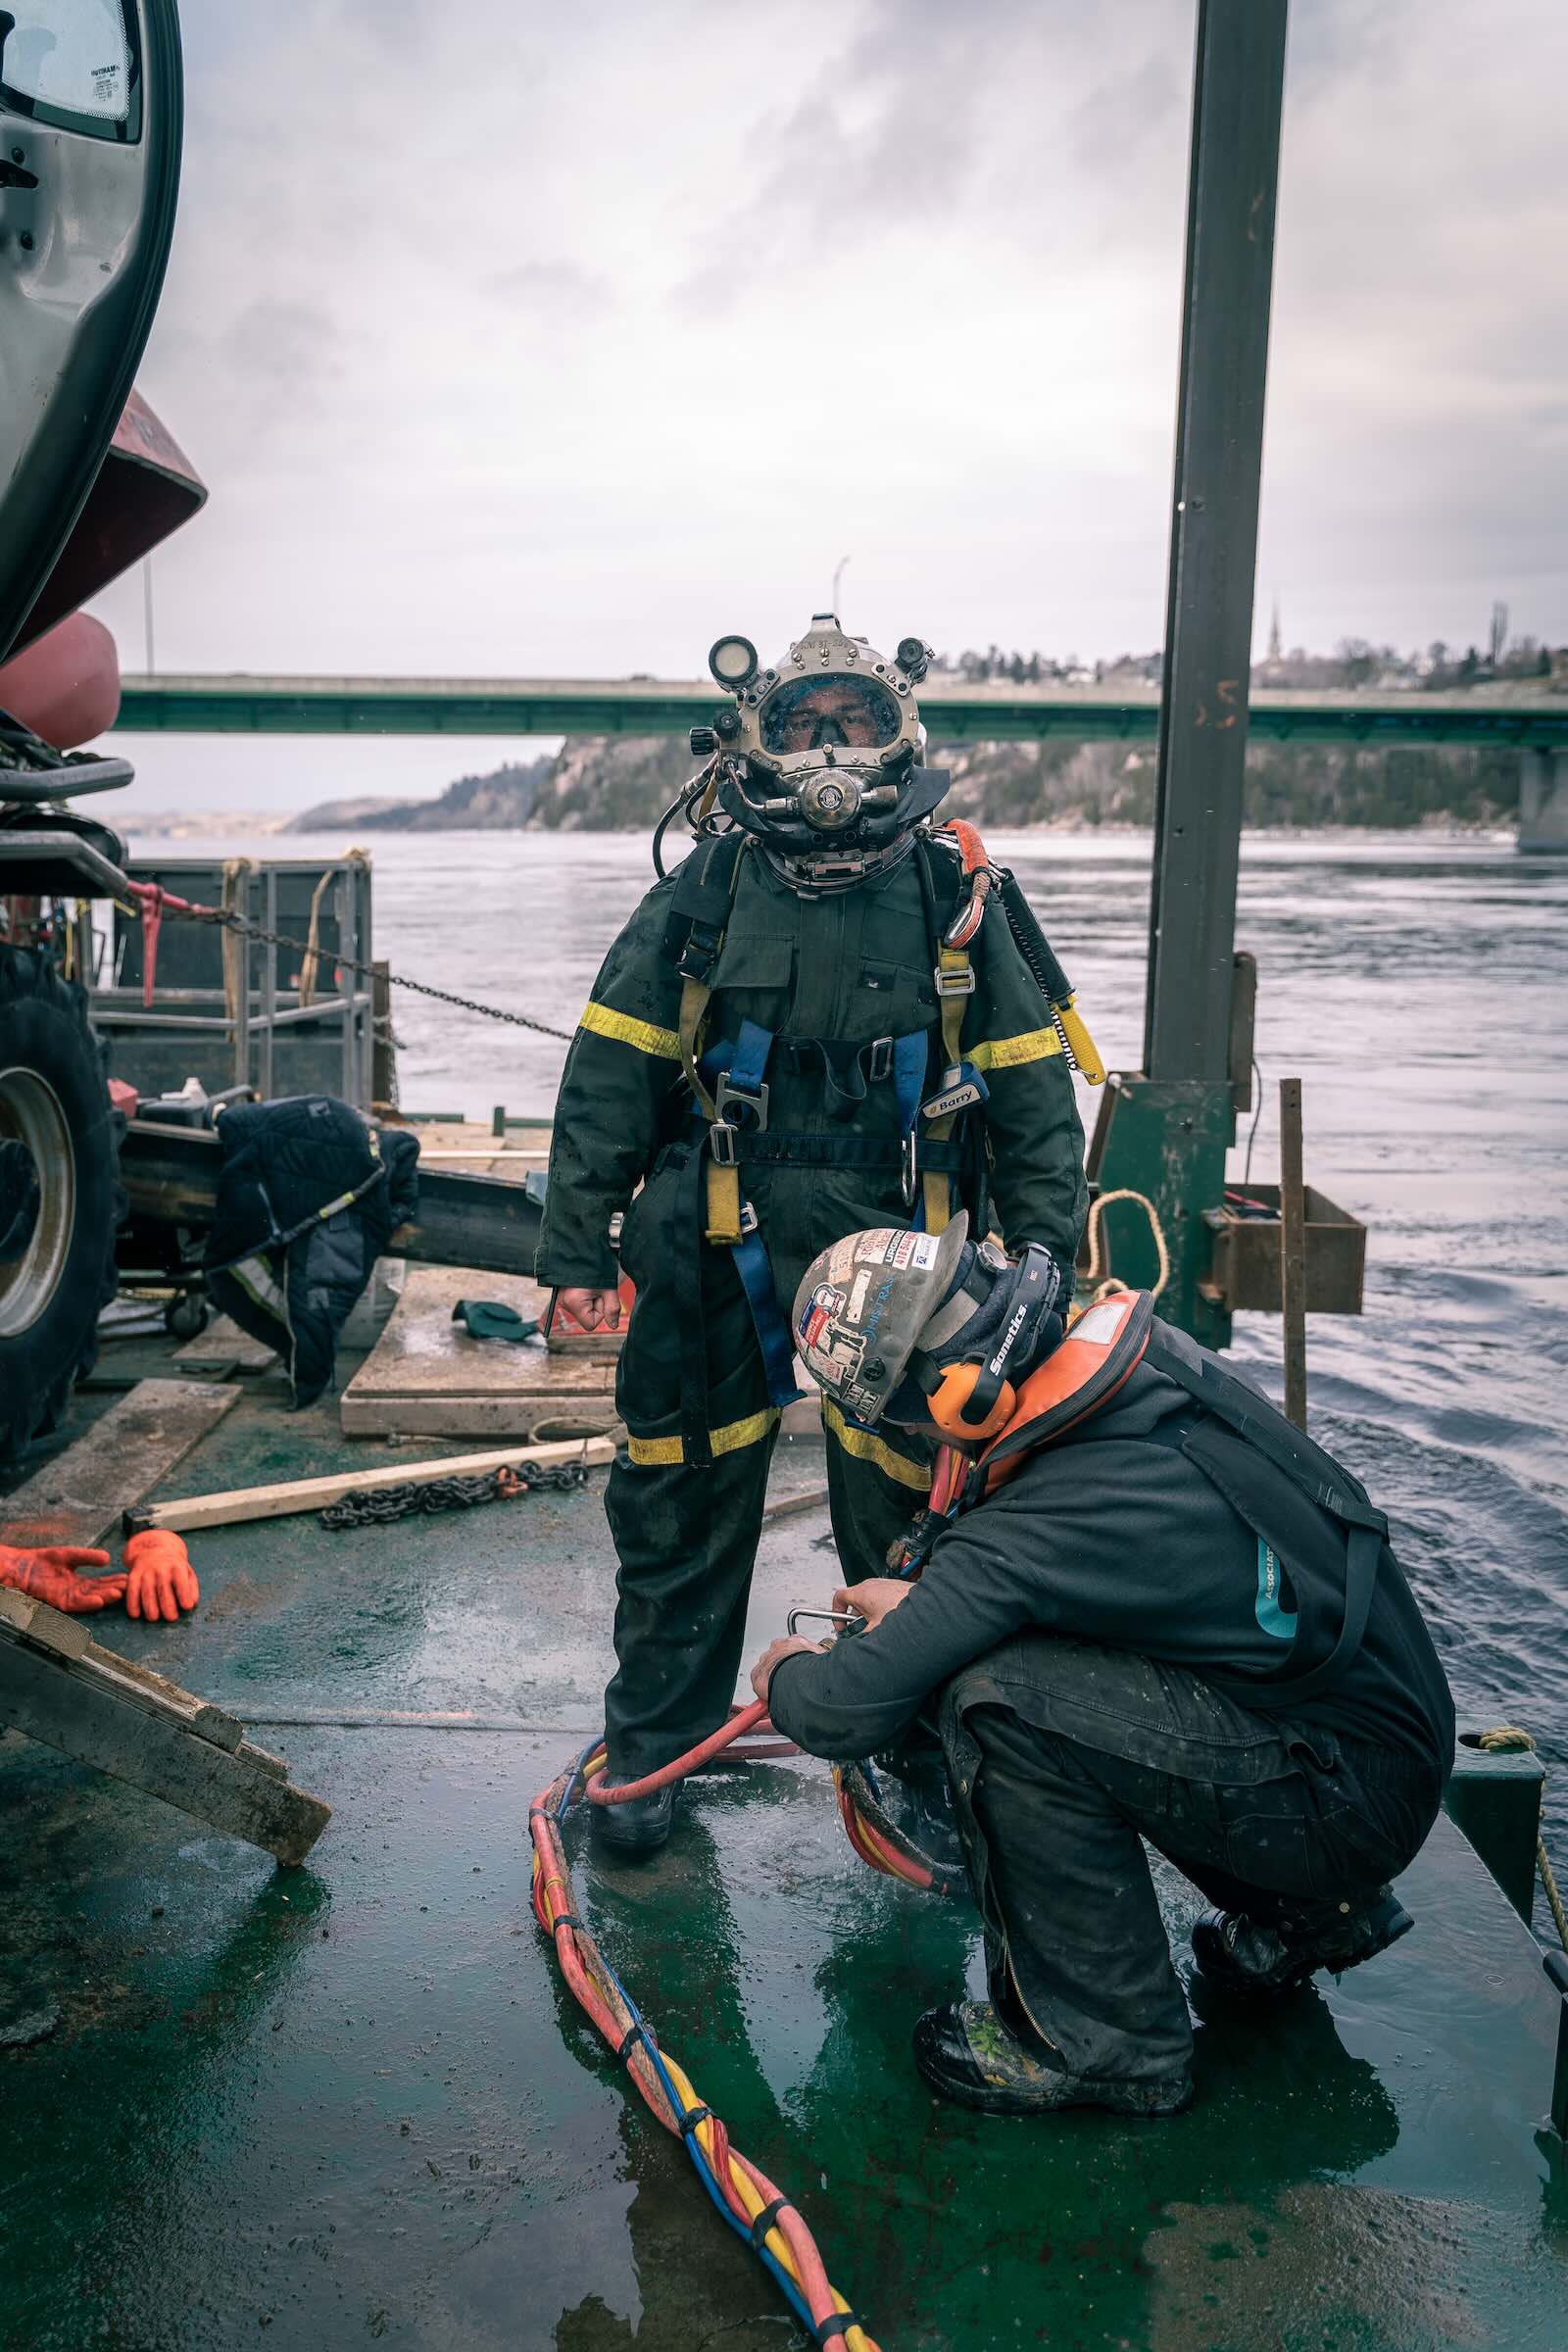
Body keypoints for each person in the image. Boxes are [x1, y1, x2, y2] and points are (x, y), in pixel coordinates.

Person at [536, 615, 1098, 1852]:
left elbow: (1031, 1088)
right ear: (756, 739)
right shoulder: (706, 888)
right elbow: (609, 1074)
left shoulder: (955, 894)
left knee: (920, 1525)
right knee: (677, 1504)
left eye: (856, 721)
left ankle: (904, 1756)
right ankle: (652, 1756)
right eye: (803, 725)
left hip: (908, 1253)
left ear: (899, 732)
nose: (832, 749)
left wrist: (1044, 1255)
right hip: (706, 1242)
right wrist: (574, 1248)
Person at [749, 1216, 1455, 2118]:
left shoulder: (1034, 1526)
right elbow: (1099, 1572)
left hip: (1342, 1805)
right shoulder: (1142, 1367)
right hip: (1377, 1748)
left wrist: (786, 1675)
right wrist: (932, 1604)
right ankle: (1317, 1914)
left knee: (993, 1699)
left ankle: (1107, 2044)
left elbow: (848, 1712)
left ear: (959, 1398)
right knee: (1022, 1661)